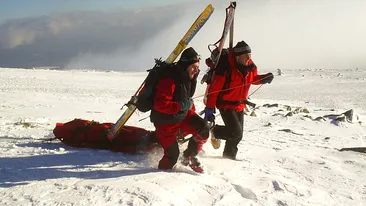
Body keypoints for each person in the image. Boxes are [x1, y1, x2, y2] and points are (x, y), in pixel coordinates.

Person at [203, 40, 274, 160]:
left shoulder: (250, 66)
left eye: (250, 56)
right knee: (236, 132)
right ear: (237, 56)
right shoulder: (225, 68)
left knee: (237, 136)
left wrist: (263, 78)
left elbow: (253, 79)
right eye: (246, 56)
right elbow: (214, 89)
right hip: (225, 104)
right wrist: (209, 108)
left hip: (239, 104)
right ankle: (215, 131)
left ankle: (229, 159)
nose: (248, 59)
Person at [150, 47, 209, 173]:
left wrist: (189, 108)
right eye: (193, 66)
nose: (196, 70)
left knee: (203, 128)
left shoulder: (188, 78)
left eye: (197, 66)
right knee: (172, 157)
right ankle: (162, 176)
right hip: (165, 124)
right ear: (185, 65)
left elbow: (186, 99)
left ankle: (189, 156)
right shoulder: (170, 79)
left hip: (181, 117)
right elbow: (160, 105)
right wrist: (182, 106)